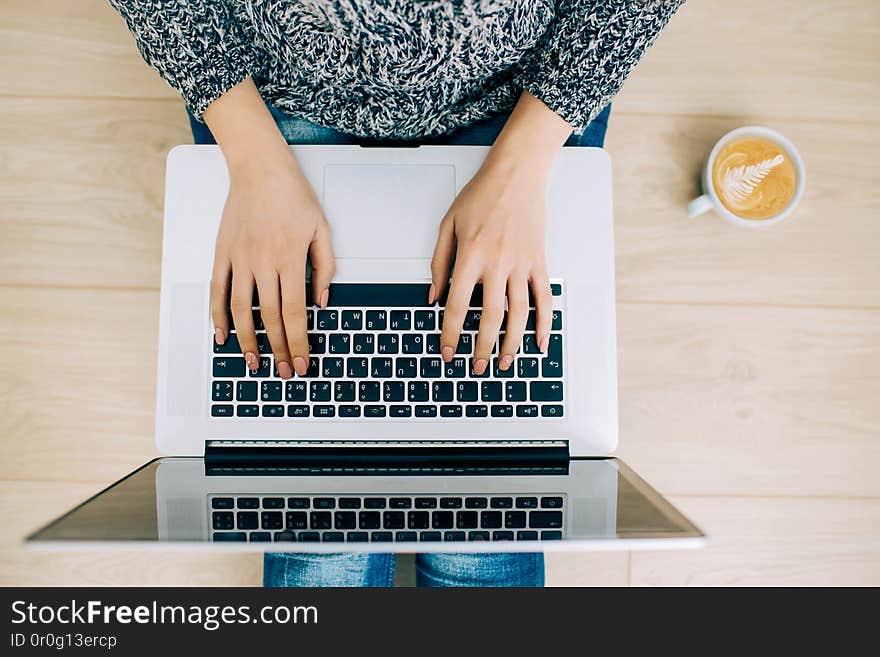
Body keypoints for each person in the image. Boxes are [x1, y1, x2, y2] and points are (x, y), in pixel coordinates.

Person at [110, 0, 683, 587]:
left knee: (477, 538)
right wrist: (250, 153)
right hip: (276, 88)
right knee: (330, 545)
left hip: (527, 88)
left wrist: (525, 166)